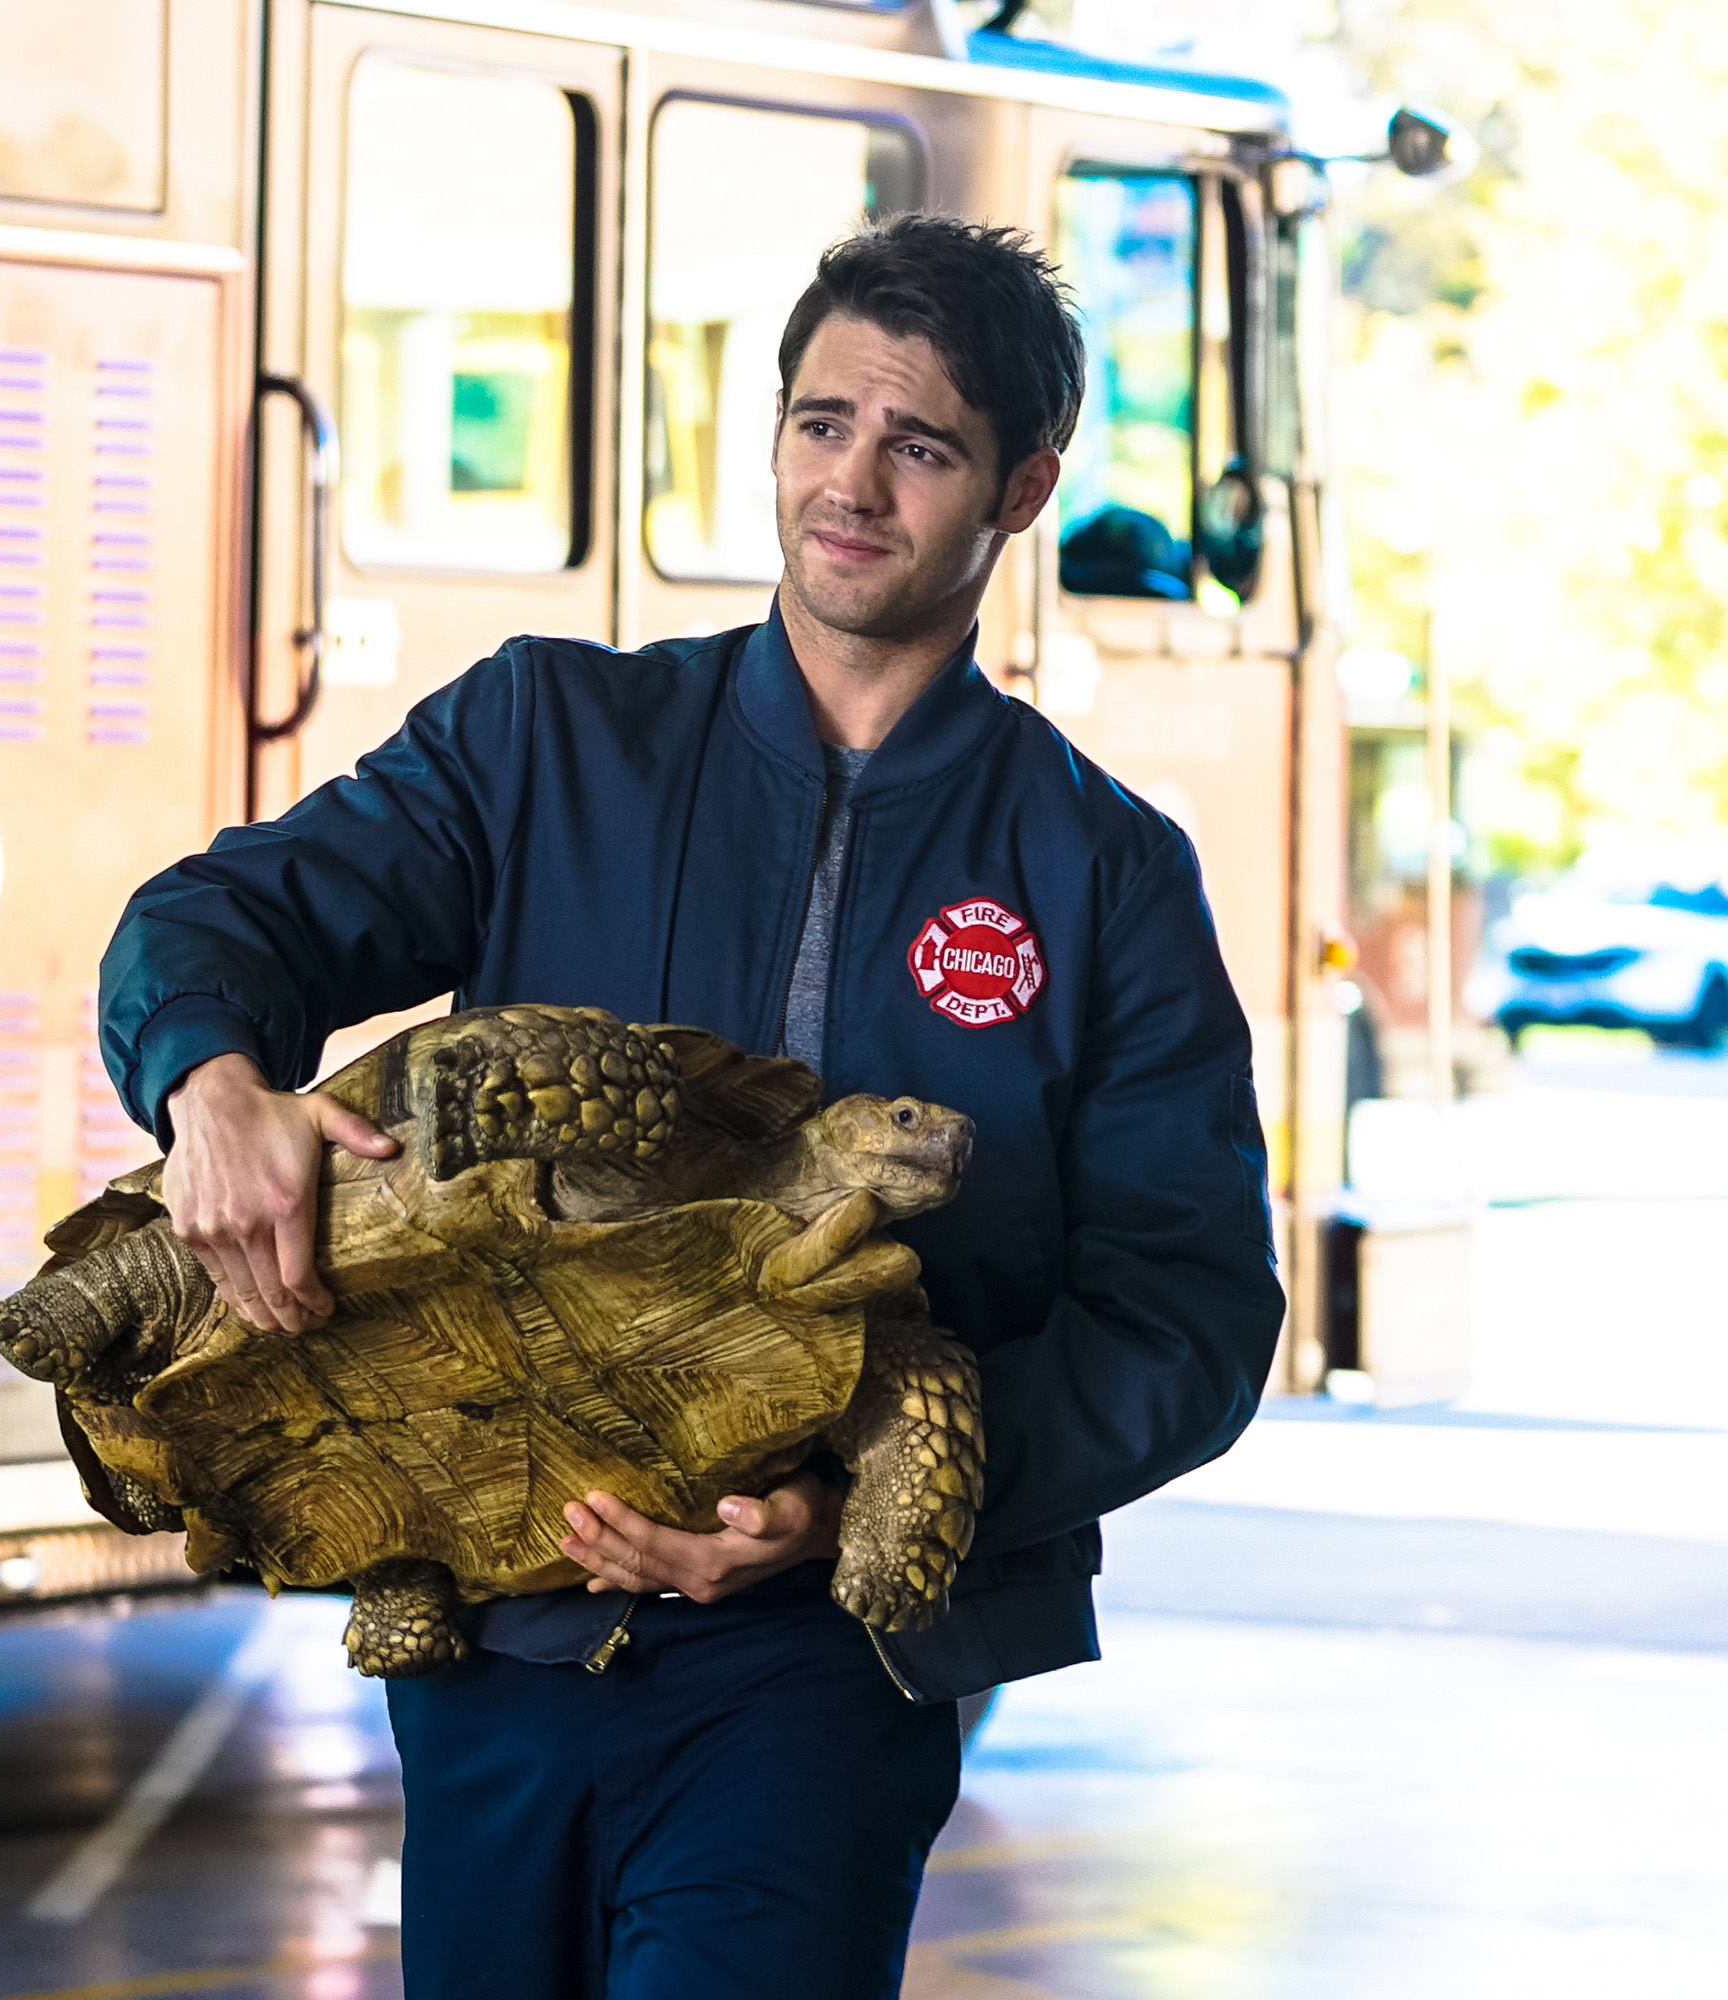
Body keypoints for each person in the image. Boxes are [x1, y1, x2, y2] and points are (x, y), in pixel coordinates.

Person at [94, 214, 1283, 1998]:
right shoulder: (546, 737)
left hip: (823, 1669)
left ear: (1024, 488)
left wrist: (871, 1491)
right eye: (821, 424)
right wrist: (212, 1081)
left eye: (922, 445)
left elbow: (1189, 1316)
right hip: (491, 1631)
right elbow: (217, 920)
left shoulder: (1098, 872)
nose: (853, 483)